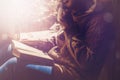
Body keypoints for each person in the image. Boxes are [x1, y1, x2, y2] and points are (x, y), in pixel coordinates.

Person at [0, 0, 115, 80]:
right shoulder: (73, 11)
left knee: (13, 66)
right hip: (57, 58)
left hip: (73, 74)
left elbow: (87, 64)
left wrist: (70, 31)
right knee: (10, 48)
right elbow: (55, 38)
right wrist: (20, 37)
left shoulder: (99, 21)